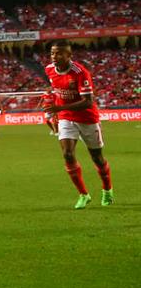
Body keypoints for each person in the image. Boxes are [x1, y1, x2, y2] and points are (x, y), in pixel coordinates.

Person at [42, 41, 113, 209]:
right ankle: (83, 194)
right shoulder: (49, 69)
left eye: (59, 53)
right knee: (67, 154)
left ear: (69, 56)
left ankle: (107, 189)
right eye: (52, 53)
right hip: (66, 117)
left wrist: (59, 107)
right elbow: (57, 90)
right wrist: (55, 107)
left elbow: (88, 102)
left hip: (87, 118)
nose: (55, 57)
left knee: (97, 158)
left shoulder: (80, 72)